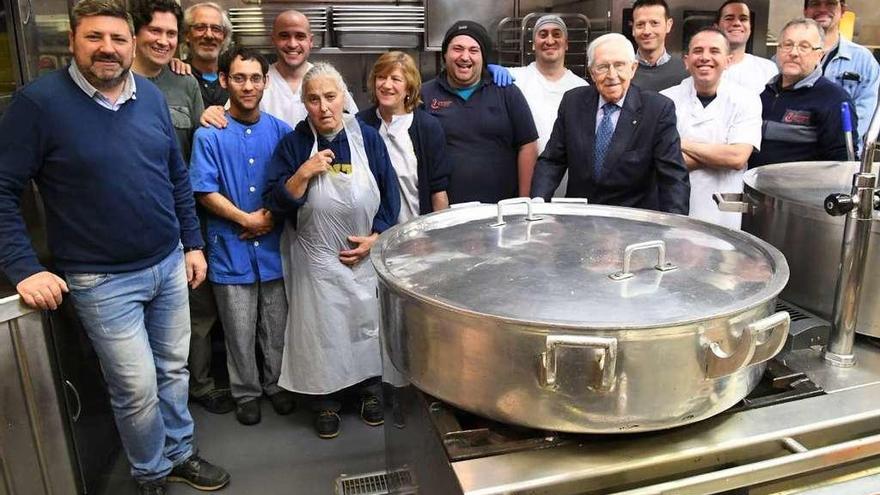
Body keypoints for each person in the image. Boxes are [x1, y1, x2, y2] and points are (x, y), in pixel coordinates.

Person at [0, 1, 229, 494]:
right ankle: (150, 474)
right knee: (136, 388)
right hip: (101, 279)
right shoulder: (38, 104)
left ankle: (179, 452)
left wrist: (191, 243)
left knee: (173, 371)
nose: (108, 48)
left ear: (130, 44)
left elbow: (174, 175)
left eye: (117, 39)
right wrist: (22, 267)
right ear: (73, 41)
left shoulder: (147, 96)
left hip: (167, 263)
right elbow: (1, 188)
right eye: (95, 38)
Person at [264, 62, 400, 439]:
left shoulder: (368, 139)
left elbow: (390, 197)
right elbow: (275, 202)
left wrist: (377, 238)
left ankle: (369, 391)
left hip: (364, 258)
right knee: (322, 331)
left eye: (330, 96)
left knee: (365, 327)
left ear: (345, 98)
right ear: (304, 104)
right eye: (313, 99)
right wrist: (303, 173)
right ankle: (325, 399)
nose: (323, 107)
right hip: (316, 261)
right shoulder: (293, 145)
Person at [130, 0, 234, 416]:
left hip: (185, 217)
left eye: (169, 34)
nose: (163, 40)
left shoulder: (184, 82)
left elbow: (194, 154)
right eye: (156, 32)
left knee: (197, 309)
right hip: (132, 223)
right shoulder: (119, 80)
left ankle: (199, 385)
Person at [189, 47, 296, 426]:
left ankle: (277, 385)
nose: (247, 86)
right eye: (239, 78)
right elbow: (203, 190)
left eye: (255, 78)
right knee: (237, 329)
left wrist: (270, 215)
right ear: (224, 81)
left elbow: (291, 184)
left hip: (272, 246)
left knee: (276, 325)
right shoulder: (209, 135)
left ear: (265, 82)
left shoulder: (282, 133)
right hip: (229, 248)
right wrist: (244, 219)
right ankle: (246, 392)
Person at [531, 33, 690, 214]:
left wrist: (675, 228)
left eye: (619, 66)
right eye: (603, 67)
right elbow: (552, 160)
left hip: (632, 225)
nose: (612, 75)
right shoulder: (573, 102)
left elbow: (673, 177)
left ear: (633, 68)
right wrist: (538, 201)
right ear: (591, 72)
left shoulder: (657, 109)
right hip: (580, 221)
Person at [421, 20, 538, 204]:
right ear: (445, 54)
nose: (465, 57)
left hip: (501, 210)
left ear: (483, 57)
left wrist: (524, 200)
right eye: (457, 48)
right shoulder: (425, 94)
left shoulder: (505, 90)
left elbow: (528, 145)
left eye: (473, 50)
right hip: (444, 212)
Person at [661, 27, 762, 229]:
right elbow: (661, 162)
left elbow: (737, 158)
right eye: (698, 51)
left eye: (714, 51)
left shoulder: (746, 99)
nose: (705, 57)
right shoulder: (665, 100)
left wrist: (680, 143)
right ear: (686, 61)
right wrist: (718, 154)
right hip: (674, 209)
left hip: (724, 212)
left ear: (728, 60)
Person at [200, 9, 358, 130]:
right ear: (273, 40)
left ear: (311, 41)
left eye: (300, 36)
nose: (292, 44)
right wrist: (214, 113)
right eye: (284, 36)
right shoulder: (257, 80)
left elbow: (354, 125)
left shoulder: (327, 79)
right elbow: (229, 117)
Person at [749, 18, 858, 168]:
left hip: (803, 189)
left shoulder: (834, 99)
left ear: (819, 55)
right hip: (754, 187)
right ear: (778, 50)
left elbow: (842, 163)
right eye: (787, 45)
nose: (793, 53)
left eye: (804, 47)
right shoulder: (763, 93)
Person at [357, 51, 451, 221]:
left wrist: (438, 239)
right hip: (371, 236)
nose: (386, 85)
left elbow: (438, 191)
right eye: (381, 77)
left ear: (409, 87)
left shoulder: (427, 127)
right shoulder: (360, 125)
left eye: (395, 79)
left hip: (417, 236)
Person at [506, 15, 588, 197]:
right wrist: (490, 70)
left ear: (566, 43)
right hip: (525, 186)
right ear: (534, 43)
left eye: (556, 34)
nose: (549, 40)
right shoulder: (515, 79)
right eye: (543, 35)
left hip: (570, 189)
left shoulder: (581, 88)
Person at [804, 0, 879, 150]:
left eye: (830, 3)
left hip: (841, 156)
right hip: (794, 155)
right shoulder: (787, 57)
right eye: (815, 4)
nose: (822, 9)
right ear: (805, 11)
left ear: (842, 10)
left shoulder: (863, 60)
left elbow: (865, 116)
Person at [715, 1, 779, 94]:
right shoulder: (706, 66)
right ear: (716, 27)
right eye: (729, 18)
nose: (737, 23)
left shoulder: (768, 69)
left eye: (743, 19)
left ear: (750, 28)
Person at [630, 0, 688, 92]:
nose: (647, 31)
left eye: (654, 23)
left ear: (668, 25)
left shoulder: (684, 72)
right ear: (633, 28)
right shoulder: (623, 72)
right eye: (640, 24)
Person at [181, 2, 231, 107]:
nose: (209, 35)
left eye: (216, 29)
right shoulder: (175, 76)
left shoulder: (235, 77)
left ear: (224, 36)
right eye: (200, 28)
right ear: (187, 35)